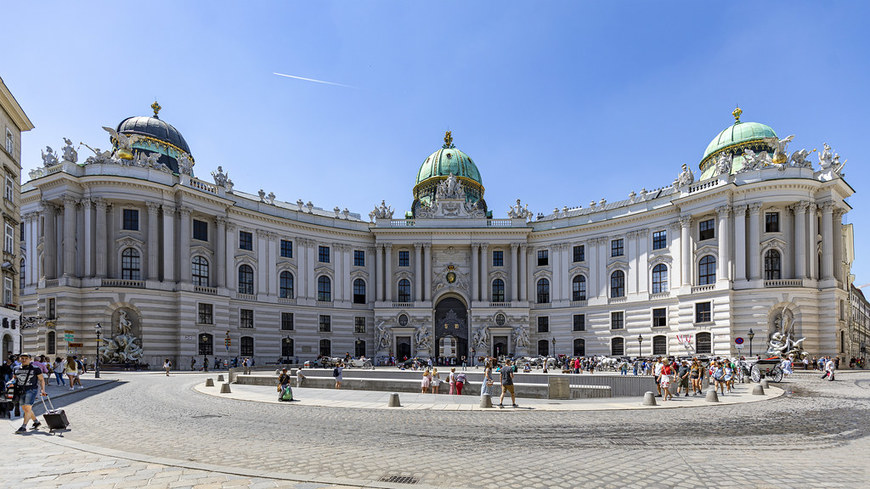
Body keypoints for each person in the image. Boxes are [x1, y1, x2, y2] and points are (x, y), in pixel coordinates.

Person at [9, 353, 47, 433]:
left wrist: (43, 390)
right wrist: (11, 382)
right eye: (22, 358)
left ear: (30, 359)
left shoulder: (35, 368)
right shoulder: (16, 368)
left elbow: (41, 380)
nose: (24, 360)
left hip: (31, 390)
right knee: (26, 409)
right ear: (19, 359)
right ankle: (36, 422)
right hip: (20, 390)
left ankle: (23, 426)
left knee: (27, 408)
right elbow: (14, 378)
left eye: (26, 358)